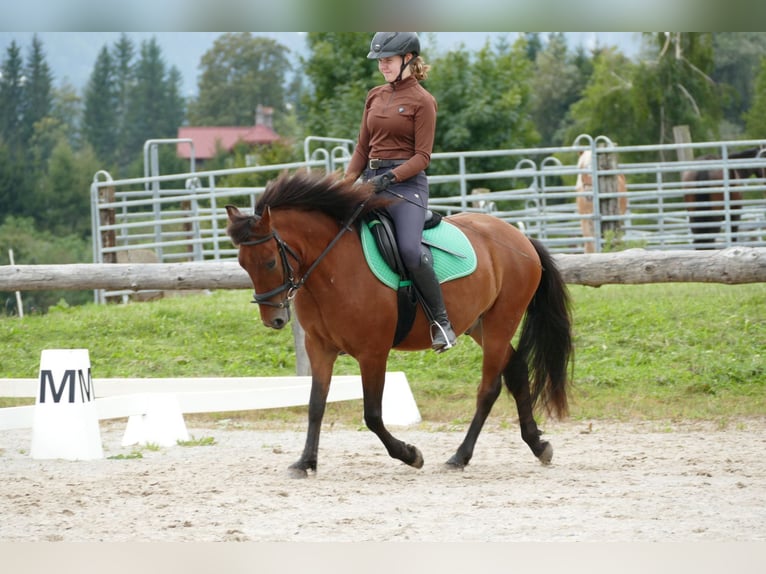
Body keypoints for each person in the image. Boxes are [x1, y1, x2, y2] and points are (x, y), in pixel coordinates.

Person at [344, 32, 457, 352]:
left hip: (407, 188)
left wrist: (389, 178)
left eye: (388, 60)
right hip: (371, 180)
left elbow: (423, 157)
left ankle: (441, 322)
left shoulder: (423, 101)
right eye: (380, 61)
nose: (383, 66)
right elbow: (362, 148)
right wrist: (343, 185)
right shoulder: (374, 96)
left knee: (409, 250)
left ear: (408, 59)